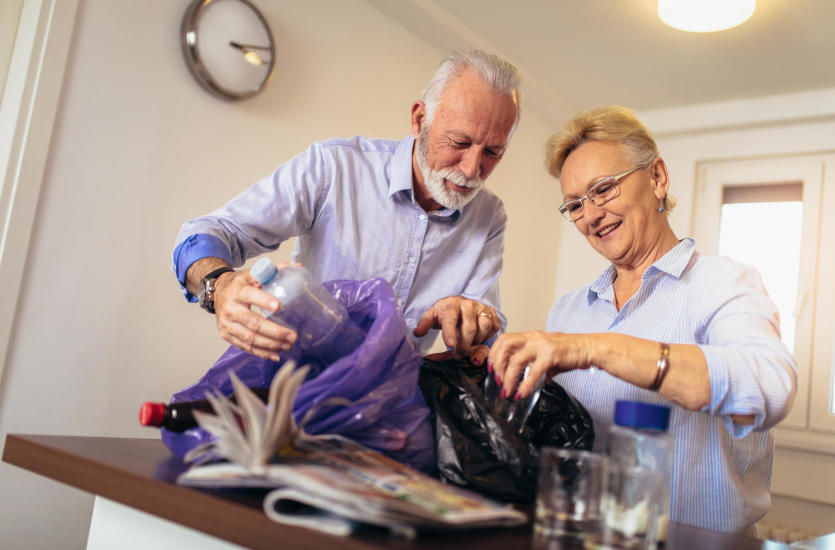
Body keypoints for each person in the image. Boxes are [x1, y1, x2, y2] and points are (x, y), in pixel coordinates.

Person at [487, 106, 797, 534]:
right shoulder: (569, 311)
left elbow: (771, 387)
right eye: (575, 205)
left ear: (657, 178)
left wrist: (594, 349)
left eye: (603, 189)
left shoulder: (724, 283)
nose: (591, 215)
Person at [172, 50, 521, 363]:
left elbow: (488, 321)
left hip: (388, 406)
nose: (473, 169)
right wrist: (219, 286)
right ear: (419, 121)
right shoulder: (334, 168)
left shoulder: (489, 218)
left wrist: (474, 322)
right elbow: (207, 233)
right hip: (290, 385)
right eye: (459, 142)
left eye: (493, 152)